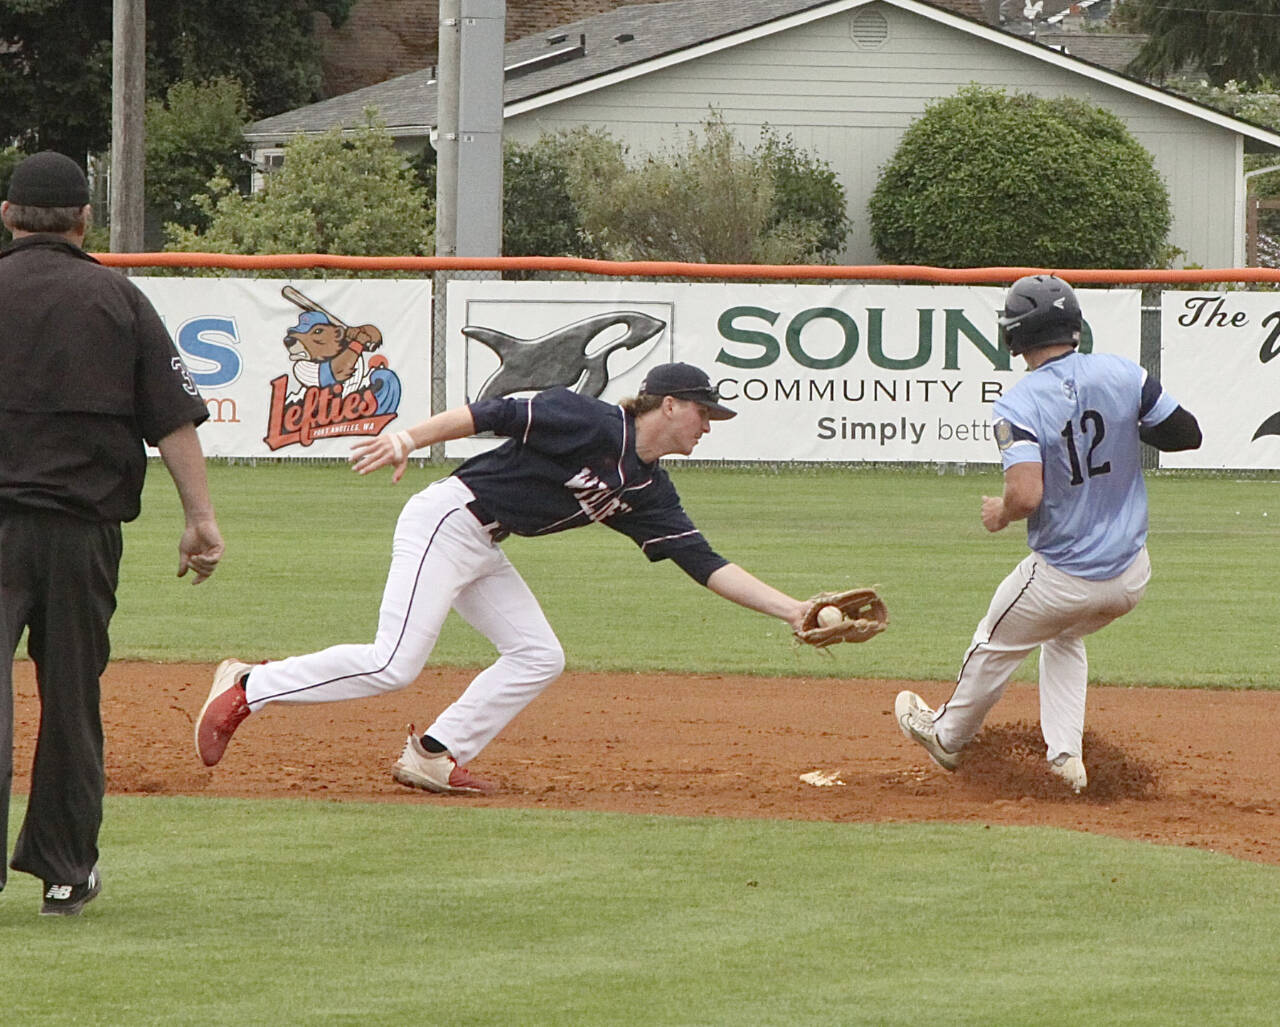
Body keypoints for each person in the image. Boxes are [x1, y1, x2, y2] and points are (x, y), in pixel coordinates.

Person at [196, 363, 812, 793]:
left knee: (538, 655)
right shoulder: (590, 420)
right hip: (447, 519)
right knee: (393, 664)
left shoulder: (651, 488)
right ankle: (250, 685)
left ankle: (433, 756)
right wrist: (408, 437)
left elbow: (705, 562)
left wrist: (793, 610)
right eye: (704, 412)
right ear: (669, 405)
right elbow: (486, 413)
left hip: (484, 542)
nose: (710, 424)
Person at [0, 151, 224, 915]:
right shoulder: (116, 297)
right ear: (85, 219)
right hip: (81, 531)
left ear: (7, 215)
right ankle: (65, 868)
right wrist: (200, 518)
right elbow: (171, 419)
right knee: (69, 698)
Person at [895, 274, 1201, 794]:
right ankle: (1065, 759)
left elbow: (1027, 494)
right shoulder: (1124, 373)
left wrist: (1001, 513)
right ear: (1074, 325)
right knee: (1065, 636)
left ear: (1015, 338)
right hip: (1129, 576)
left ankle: (946, 735)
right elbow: (1186, 435)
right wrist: (1126, 419)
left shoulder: (1019, 403)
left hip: (1062, 576)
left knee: (993, 641)